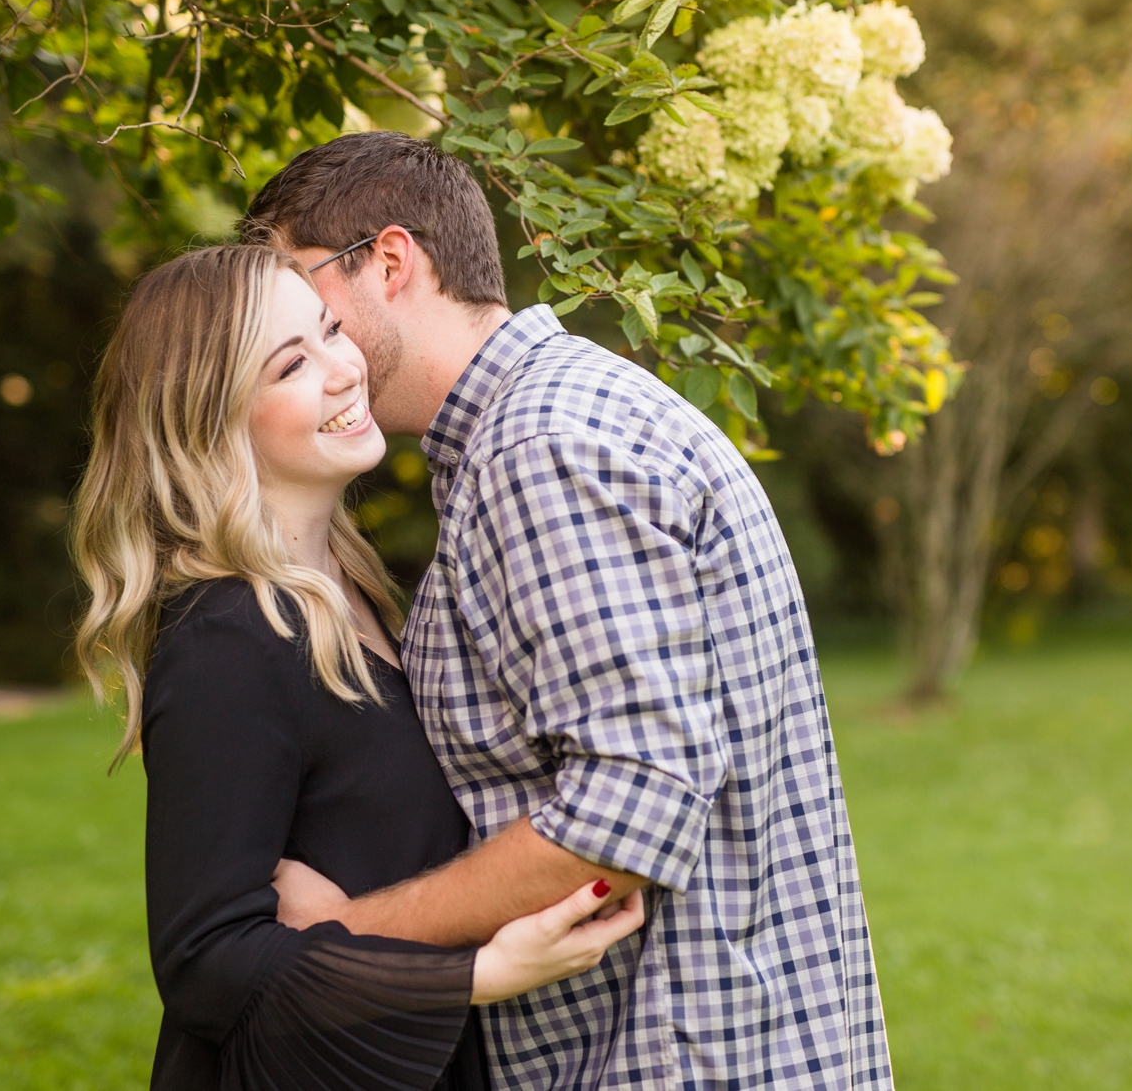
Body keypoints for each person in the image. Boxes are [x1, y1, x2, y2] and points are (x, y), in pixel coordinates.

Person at [243, 132, 894, 1090]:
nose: (295, 333)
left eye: (306, 296)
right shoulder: (541, 423)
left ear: (390, 262)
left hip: (677, 1056)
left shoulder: (541, 450)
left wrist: (346, 937)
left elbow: (631, 805)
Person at [69, 243, 647, 1091]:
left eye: (331, 330)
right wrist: (479, 974)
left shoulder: (357, 593)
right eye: (291, 365)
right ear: (209, 422)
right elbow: (205, 964)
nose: (344, 368)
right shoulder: (227, 635)